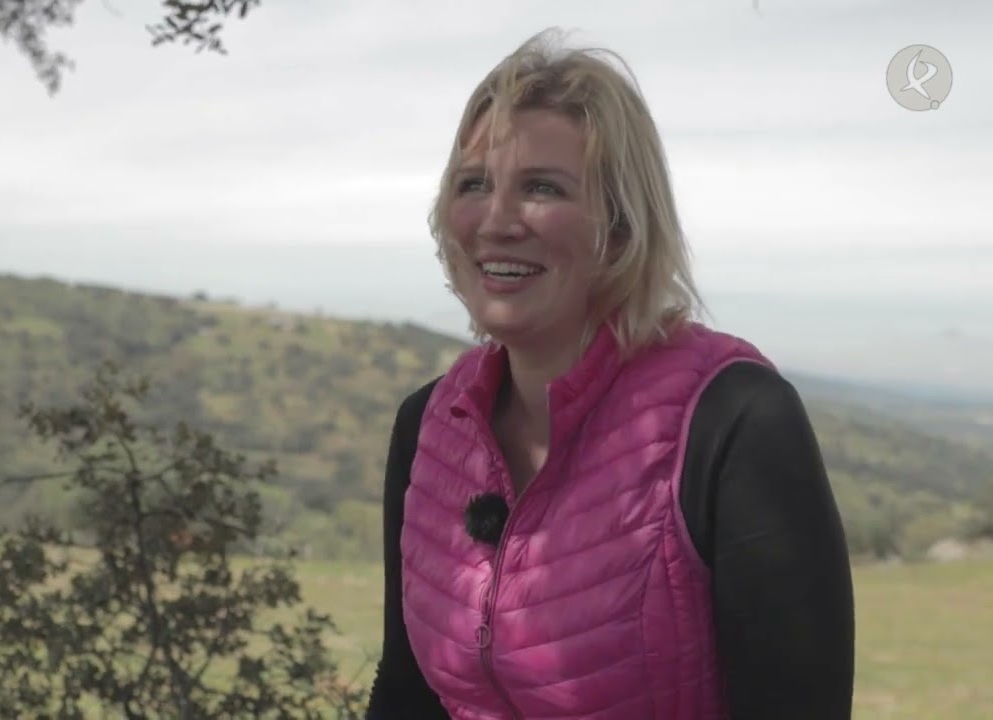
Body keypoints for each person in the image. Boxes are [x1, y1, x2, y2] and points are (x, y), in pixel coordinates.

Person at [365, 28, 855, 720]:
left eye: (542, 188)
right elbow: (407, 694)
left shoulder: (734, 420)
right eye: (473, 185)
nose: (497, 221)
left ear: (621, 227)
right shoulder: (428, 426)